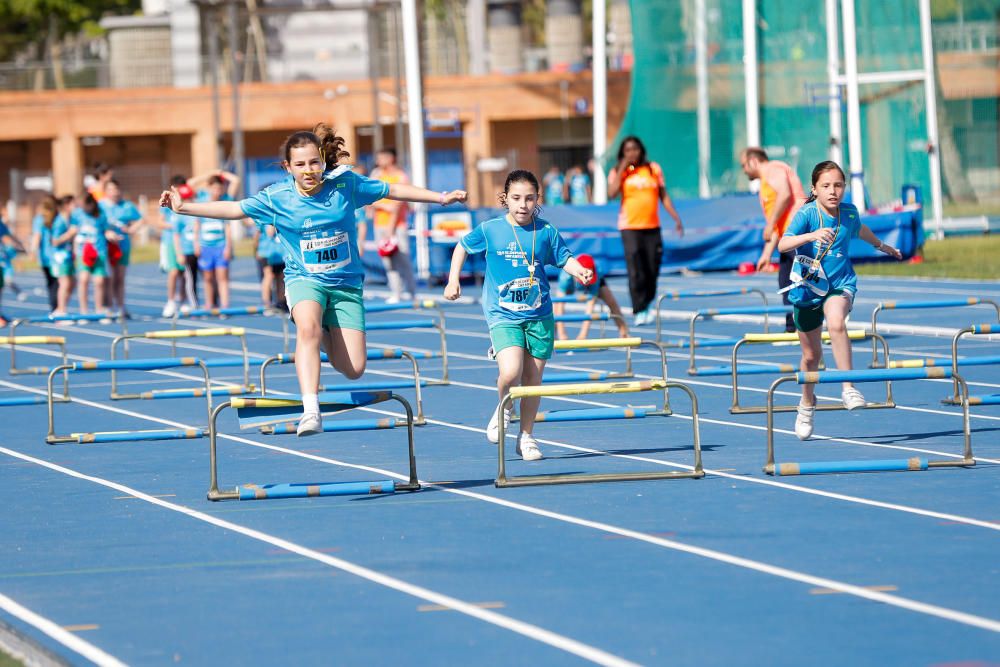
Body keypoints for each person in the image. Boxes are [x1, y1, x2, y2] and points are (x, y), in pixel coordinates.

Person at [161, 122, 466, 436]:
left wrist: (441, 198)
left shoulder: (345, 184)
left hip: (346, 284)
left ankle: (321, 331)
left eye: (314, 162)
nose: (309, 170)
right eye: (300, 164)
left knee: (354, 369)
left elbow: (392, 190)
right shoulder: (277, 197)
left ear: (323, 160)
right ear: (288, 167)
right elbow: (234, 208)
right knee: (306, 328)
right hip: (305, 280)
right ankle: (311, 410)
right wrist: (185, 208)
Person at [443, 169, 594, 461]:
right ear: (505, 199)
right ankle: (504, 409)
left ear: (537, 199)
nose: (523, 204)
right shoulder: (491, 229)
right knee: (510, 372)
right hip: (503, 314)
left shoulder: (546, 231)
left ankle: (526, 437)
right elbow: (462, 246)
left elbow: (565, 258)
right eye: (516, 198)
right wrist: (453, 279)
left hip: (539, 314)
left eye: (529, 198)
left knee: (533, 380)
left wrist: (581, 272)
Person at [778, 161, 902, 440]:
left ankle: (848, 387)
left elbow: (860, 229)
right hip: (808, 288)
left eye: (838, 185)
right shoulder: (807, 213)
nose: (833, 191)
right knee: (811, 357)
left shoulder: (849, 212)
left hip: (840, 283)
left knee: (836, 323)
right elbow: (783, 244)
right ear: (815, 189)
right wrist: (811, 235)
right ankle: (807, 404)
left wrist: (882, 246)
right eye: (826, 186)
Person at [607, 136, 683, 326]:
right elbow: (611, 192)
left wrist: (676, 217)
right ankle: (639, 308)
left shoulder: (653, 169)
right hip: (630, 227)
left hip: (652, 227)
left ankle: (647, 302)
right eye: (627, 150)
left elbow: (663, 195)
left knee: (652, 268)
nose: (632, 153)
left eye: (635, 149)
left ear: (641, 150)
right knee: (635, 269)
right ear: (623, 153)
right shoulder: (619, 171)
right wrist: (623, 167)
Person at [739, 147, 807, 333]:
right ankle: (792, 329)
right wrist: (766, 254)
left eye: (743, 165)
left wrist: (770, 224)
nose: (743, 170)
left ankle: (823, 325)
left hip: (799, 232)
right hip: (786, 237)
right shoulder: (765, 185)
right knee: (785, 282)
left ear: (753, 161)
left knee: (807, 282)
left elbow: (785, 195)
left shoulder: (773, 169)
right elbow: (777, 224)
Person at [369, 148, 418, 303]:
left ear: (391, 158)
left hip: (398, 225)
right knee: (387, 259)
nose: (378, 160)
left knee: (403, 258)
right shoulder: (376, 174)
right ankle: (396, 292)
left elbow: (399, 202)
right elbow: (369, 197)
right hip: (380, 225)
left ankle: (412, 292)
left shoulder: (400, 176)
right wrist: (382, 207)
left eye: (382, 157)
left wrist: (391, 227)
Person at [190, 171, 240, 310]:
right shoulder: (201, 200)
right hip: (205, 246)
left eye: (220, 188)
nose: (217, 191)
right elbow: (190, 184)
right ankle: (209, 304)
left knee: (222, 278)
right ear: (209, 187)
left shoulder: (226, 200)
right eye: (214, 188)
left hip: (221, 246)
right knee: (207, 278)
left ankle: (225, 306)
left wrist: (222, 173)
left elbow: (236, 180)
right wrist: (210, 174)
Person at [552, 253, 628, 341]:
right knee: (555, 308)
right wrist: (562, 334)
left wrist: (583, 335)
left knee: (611, 301)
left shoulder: (596, 272)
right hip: (573, 280)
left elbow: (590, 307)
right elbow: (560, 304)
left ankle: (624, 332)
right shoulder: (565, 276)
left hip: (593, 280)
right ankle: (553, 334)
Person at [100, 180, 143, 317]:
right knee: (108, 278)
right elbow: (93, 224)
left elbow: (141, 219)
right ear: (106, 191)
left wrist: (131, 229)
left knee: (120, 277)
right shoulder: (100, 206)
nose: (114, 192)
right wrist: (106, 233)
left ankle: (120, 306)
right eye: (111, 189)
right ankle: (107, 307)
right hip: (105, 247)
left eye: (116, 189)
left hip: (122, 246)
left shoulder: (127, 206)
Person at [155, 176, 194, 317]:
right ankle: (171, 301)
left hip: (186, 242)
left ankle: (183, 300)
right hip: (170, 241)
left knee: (185, 273)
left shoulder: (188, 201)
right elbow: (159, 223)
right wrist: (176, 226)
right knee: (173, 272)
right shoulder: (167, 203)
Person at [72, 192, 118, 315]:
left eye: (85, 206)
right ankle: (84, 311)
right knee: (84, 279)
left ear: (91, 204)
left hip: (99, 251)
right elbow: (73, 230)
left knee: (99, 281)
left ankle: (99, 310)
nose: (83, 208)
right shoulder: (77, 214)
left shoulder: (100, 215)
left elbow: (106, 230)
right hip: (83, 252)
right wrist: (74, 246)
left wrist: (112, 235)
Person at [49, 195, 77, 316]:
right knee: (64, 283)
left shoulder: (71, 220)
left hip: (68, 256)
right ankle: (61, 309)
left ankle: (62, 307)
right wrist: (69, 234)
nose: (76, 207)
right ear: (66, 206)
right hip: (60, 257)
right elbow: (54, 241)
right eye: (73, 204)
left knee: (73, 283)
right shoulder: (59, 221)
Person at [30, 195, 59, 311]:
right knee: (58, 284)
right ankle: (57, 308)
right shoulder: (43, 219)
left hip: (47, 257)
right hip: (56, 257)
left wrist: (33, 251)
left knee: (53, 284)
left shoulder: (43, 218)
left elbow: (36, 237)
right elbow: (37, 236)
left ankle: (56, 308)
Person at [0, 212, 26, 327]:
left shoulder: (2, 226)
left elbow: (9, 236)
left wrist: (19, 244)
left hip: (2, 264)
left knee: (2, 286)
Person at [255, 225, 286, 310]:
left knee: (280, 277)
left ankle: (281, 302)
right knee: (268, 276)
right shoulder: (265, 217)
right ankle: (266, 303)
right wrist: (256, 249)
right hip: (267, 253)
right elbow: (269, 232)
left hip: (280, 252)